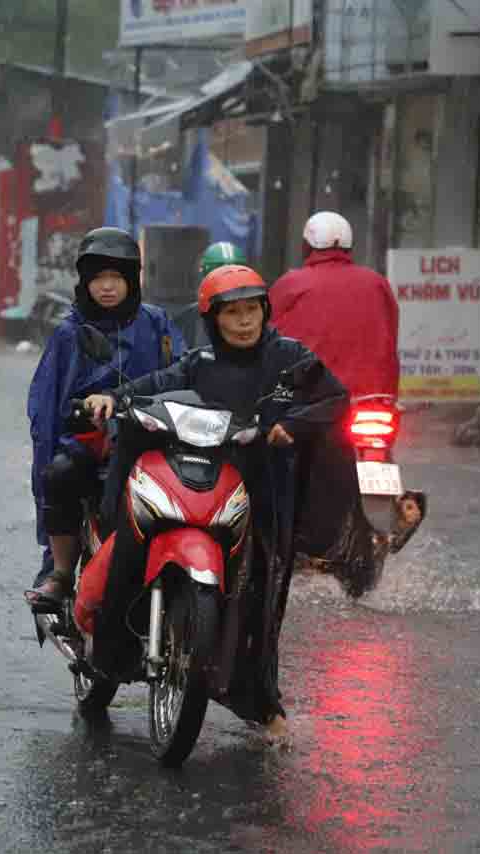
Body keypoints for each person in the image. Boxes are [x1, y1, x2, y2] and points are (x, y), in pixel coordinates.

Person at [83, 264, 347, 735]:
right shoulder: (200, 364)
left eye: (252, 311)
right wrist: (110, 397)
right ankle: (113, 650)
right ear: (213, 319)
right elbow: (154, 387)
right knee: (133, 543)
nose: (245, 322)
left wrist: (293, 426)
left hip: (265, 493)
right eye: (233, 313)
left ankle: (262, 703)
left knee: (261, 602)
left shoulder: (290, 358)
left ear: (265, 312)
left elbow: (335, 398)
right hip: (204, 484)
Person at [25, 227, 185, 607]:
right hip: (93, 443)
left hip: (152, 437)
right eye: (98, 279)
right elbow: (48, 406)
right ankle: (61, 572)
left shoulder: (157, 323)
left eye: (116, 277)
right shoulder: (70, 333)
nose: (108, 287)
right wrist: (82, 414)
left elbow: (183, 369)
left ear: (132, 280)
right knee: (60, 475)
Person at [269, 211, 399, 398]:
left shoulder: (291, 284)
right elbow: (391, 337)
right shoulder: (376, 283)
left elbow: (266, 338)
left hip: (308, 397)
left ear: (306, 247)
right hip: (372, 396)